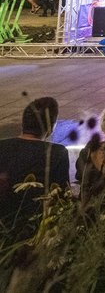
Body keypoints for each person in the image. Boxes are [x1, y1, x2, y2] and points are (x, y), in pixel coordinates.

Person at [0, 97, 69, 238]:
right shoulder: (57, 153)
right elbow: (61, 197)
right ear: (50, 128)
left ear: (23, 123)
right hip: (35, 229)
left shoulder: (2, 147)